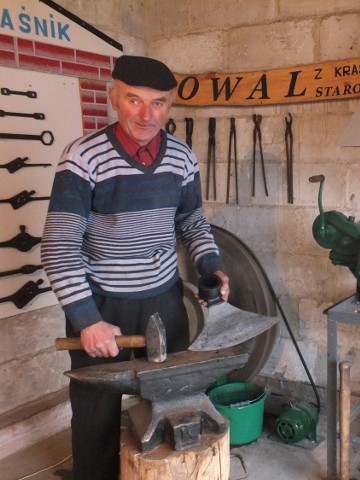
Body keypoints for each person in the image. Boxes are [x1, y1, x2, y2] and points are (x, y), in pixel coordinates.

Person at [41, 55, 229, 480]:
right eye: (134, 100)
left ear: (171, 104)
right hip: (103, 303)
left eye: (159, 103)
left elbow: (191, 220)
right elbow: (59, 246)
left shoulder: (181, 158)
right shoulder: (82, 158)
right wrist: (86, 320)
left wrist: (210, 264)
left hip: (164, 299)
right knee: (95, 414)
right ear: (113, 97)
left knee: (174, 405)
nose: (147, 115)